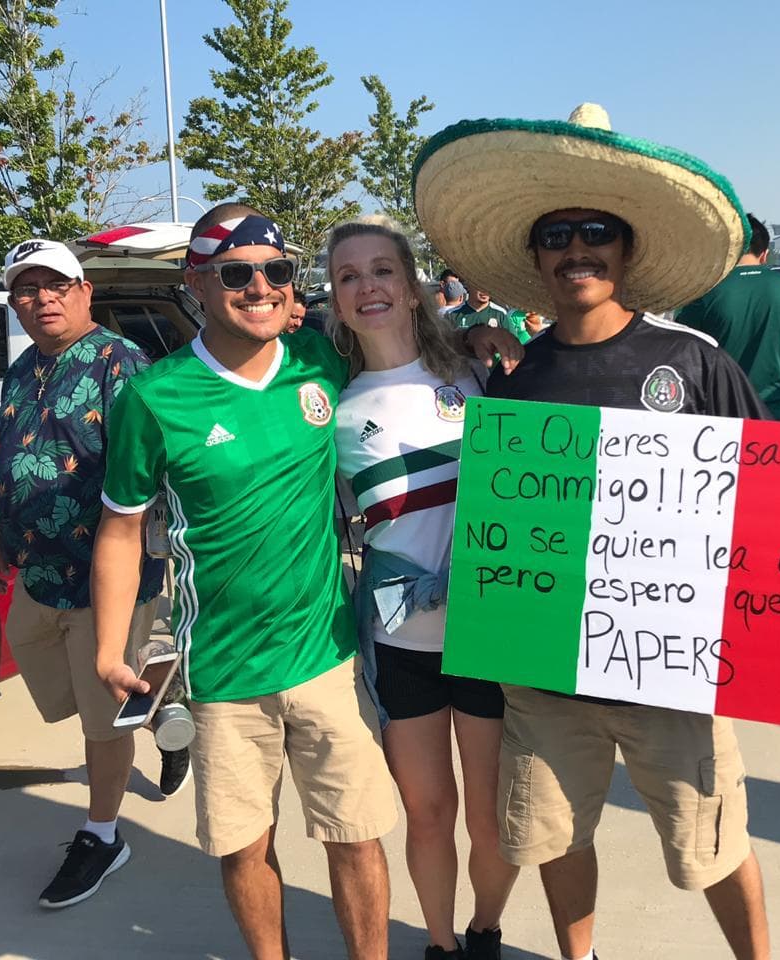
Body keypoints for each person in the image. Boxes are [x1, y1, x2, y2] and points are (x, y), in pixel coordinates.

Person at [413, 101, 780, 960]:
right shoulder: (518, 383)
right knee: (557, 839)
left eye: (596, 230)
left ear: (625, 247)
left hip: (675, 676)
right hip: (547, 678)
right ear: (537, 257)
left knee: (710, 846)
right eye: (558, 232)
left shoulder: (692, 361)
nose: (577, 247)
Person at [92, 203, 398, 960]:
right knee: (242, 846)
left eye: (276, 270)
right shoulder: (154, 397)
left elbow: (408, 346)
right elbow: (121, 528)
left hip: (327, 657)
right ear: (198, 281)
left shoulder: (320, 363)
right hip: (221, 674)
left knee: (357, 839)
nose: (260, 286)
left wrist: (484, 341)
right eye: (236, 272)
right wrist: (110, 649)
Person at [328, 215, 523, 960]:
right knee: (430, 813)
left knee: (492, 817)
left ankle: (485, 929)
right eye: (349, 277)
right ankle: (440, 945)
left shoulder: (476, 376)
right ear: (338, 302)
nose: (368, 286)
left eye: (382, 270)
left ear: (411, 288)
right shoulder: (333, 410)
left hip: (488, 629)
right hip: (398, 638)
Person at [0, 238, 176, 910]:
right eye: (27, 289)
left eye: (55, 285)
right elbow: (11, 454)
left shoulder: (123, 364)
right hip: (37, 571)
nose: (43, 299)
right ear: (15, 302)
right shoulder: (20, 370)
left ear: (83, 289)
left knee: (99, 722)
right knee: (49, 675)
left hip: (105, 581)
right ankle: (163, 710)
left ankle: (103, 833)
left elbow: (156, 470)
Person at [676, 213, 780, 420]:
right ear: (764, 254)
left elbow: (682, 355)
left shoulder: (705, 291)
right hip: (773, 410)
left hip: (718, 411)